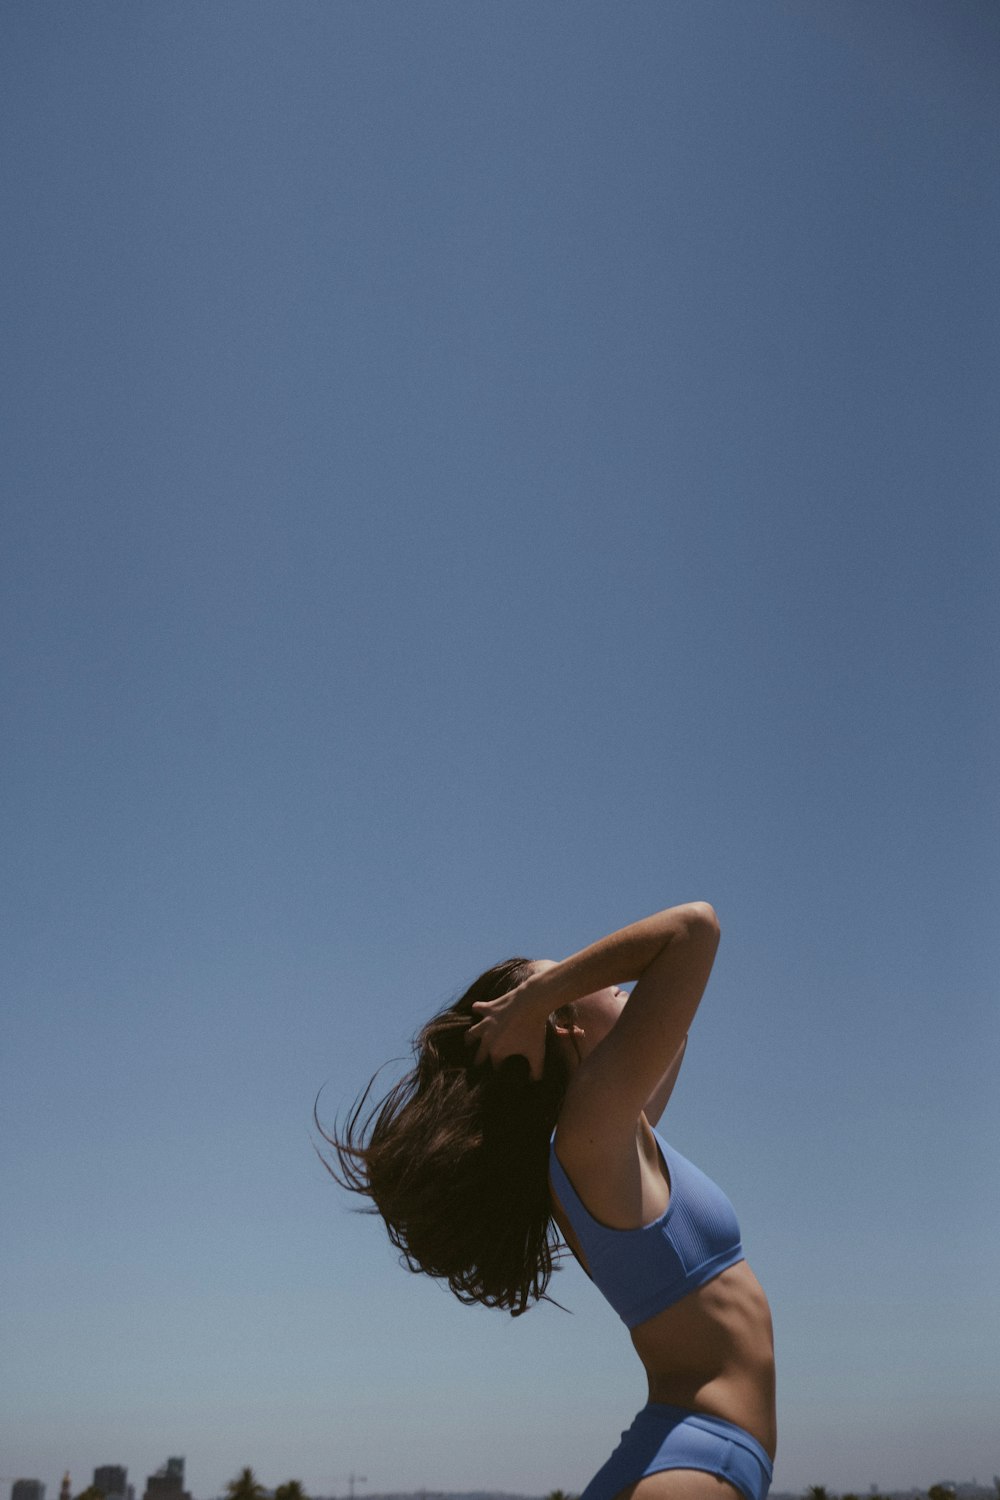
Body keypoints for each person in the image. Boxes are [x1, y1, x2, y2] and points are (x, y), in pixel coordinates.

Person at [320, 903, 776, 1500]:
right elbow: (695, 929)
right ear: (559, 1023)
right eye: (568, 978)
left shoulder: (613, 1134)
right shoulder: (588, 1132)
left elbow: (674, 1022)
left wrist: (544, 1001)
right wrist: (534, 1000)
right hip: (693, 1458)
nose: (603, 980)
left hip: (695, 1450)